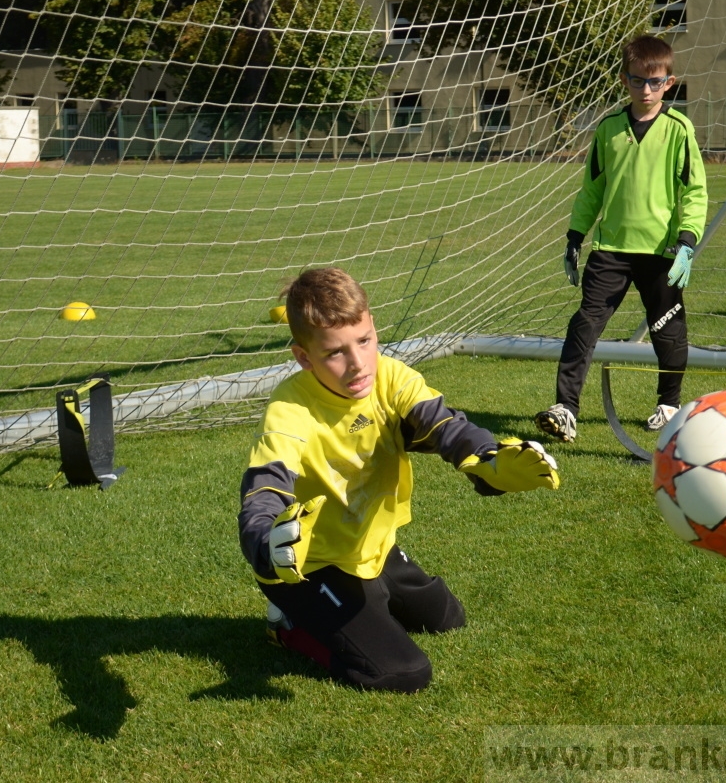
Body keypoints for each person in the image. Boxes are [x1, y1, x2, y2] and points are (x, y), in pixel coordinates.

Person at [238, 267, 560, 692]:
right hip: (305, 566)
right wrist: (266, 545)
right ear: (304, 357)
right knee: (402, 672)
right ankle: (290, 625)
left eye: (365, 341)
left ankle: (367, 597)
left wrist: (489, 460)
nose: (358, 364)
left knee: (447, 619)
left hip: (372, 547)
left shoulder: (390, 377)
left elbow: (444, 426)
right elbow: (264, 488)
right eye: (335, 353)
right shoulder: (290, 410)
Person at [535, 34, 708, 443]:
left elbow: (694, 191)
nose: (645, 90)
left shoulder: (679, 129)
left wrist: (687, 242)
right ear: (623, 79)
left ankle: (669, 404)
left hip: (661, 252)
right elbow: (592, 189)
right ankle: (566, 409)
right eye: (636, 81)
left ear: (669, 82)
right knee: (584, 324)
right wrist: (575, 236)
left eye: (655, 82)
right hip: (610, 250)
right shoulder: (609, 129)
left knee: (669, 331)